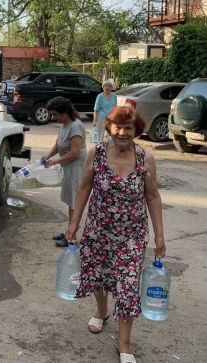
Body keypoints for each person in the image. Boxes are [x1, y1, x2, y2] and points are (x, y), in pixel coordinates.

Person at [66, 107, 166, 363]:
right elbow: (84, 187)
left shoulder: (145, 158)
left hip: (131, 235)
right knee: (99, 276)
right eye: (117, 127)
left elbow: (153, 196)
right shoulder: (96, 154)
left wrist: (159, 236)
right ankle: (101, 312)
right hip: (98, 230)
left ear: (137, 131)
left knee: (128, 286)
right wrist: (74, 223)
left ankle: (124, 343)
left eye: (128, 128)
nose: (122, 133)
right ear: (109, 128)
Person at [40, 97, 86, 247]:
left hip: (76, 167)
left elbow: (75, 152)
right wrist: (48, 156)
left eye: (55, 114)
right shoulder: (64, 124)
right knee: (70, 201)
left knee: (75, 203)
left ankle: (71, 236)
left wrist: (56, 161)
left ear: (65, 112)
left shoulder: (76, 126)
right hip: (68, 166)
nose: (54, 117)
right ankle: (69, 231)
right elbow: (58, 144)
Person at [92, 80, 117, 144]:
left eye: (109, 86)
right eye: (105, 86)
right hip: (102, 117)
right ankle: (99, 148)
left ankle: (109, 148)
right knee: (100, 135)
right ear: (103, 87)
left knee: (111, 135)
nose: (107, 88)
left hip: (111, 118)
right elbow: (96, 109)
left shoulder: (114, 96)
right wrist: (94, 121)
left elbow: (115, 108)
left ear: (111, 88)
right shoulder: (100, 96)